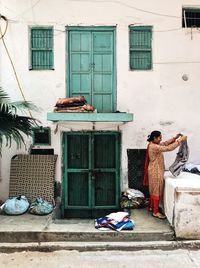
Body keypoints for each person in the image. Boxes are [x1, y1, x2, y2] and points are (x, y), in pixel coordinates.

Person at [143, 131, 187, 219]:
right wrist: (180, 141)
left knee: (154, 190)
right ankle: (155, 212)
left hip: (155, 170)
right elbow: (169, 148)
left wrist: (174, 138)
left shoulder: (153, 144)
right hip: (156, 171)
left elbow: (165, 143)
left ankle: (152, 207)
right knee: (156, 191)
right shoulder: (154, 146)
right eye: (159, 138)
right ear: (154, 138)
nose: (161, 139)